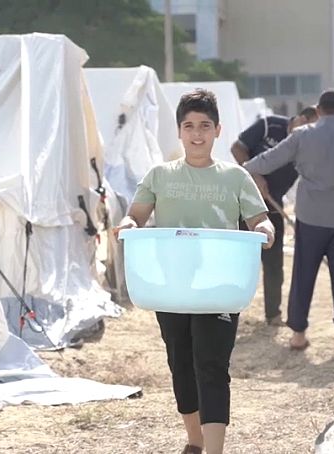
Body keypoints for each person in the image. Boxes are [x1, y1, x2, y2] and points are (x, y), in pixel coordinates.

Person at [114, 89, 275, 454]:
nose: (197, 134)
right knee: (181, 363)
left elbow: (260, 219)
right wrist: (126, 224)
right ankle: (195, 441)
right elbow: (135, 216)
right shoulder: (160, 175)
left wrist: (265, 230)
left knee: (212, 365)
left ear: (218, 130)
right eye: (189, 126)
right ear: (179, 131)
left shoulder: (236, 177)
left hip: (220, 285)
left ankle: (214, 450)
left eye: (205, 126)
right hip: (172, 286)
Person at [244, 89, 334, 354]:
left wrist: (246, 169)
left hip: (309, 217)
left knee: (303, 274)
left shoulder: (302, 135)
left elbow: (267, 161)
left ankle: (298, 335)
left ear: (317, 111)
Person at [231, 107, 319, 326]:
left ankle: (273, 314)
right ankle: (229, 311)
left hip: (272, 207)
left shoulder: (307, 146)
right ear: (302, 118)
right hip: (242, 203)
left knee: (273, 265)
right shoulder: (270, 124)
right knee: (239, 262)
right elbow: (237, 147)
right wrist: (254, 174)